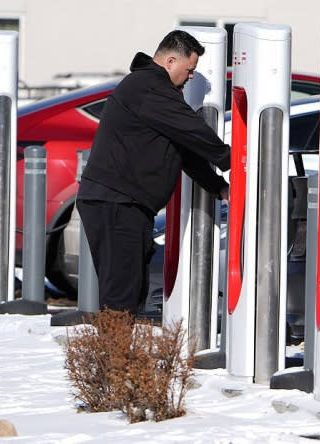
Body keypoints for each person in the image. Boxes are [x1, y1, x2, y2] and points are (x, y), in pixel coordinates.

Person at [77, 30, 231, 314]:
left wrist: (217, 184)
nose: (191, 77)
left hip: (124, 202)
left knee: (132, 290)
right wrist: (229, 157)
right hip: (116, 202)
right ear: (171, 61)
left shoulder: (152, 90)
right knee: (121, 295)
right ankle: (115, 357)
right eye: (189, 70)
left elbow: (181, 147)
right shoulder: (149, 87)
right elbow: (191, 128)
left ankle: (119, 354)